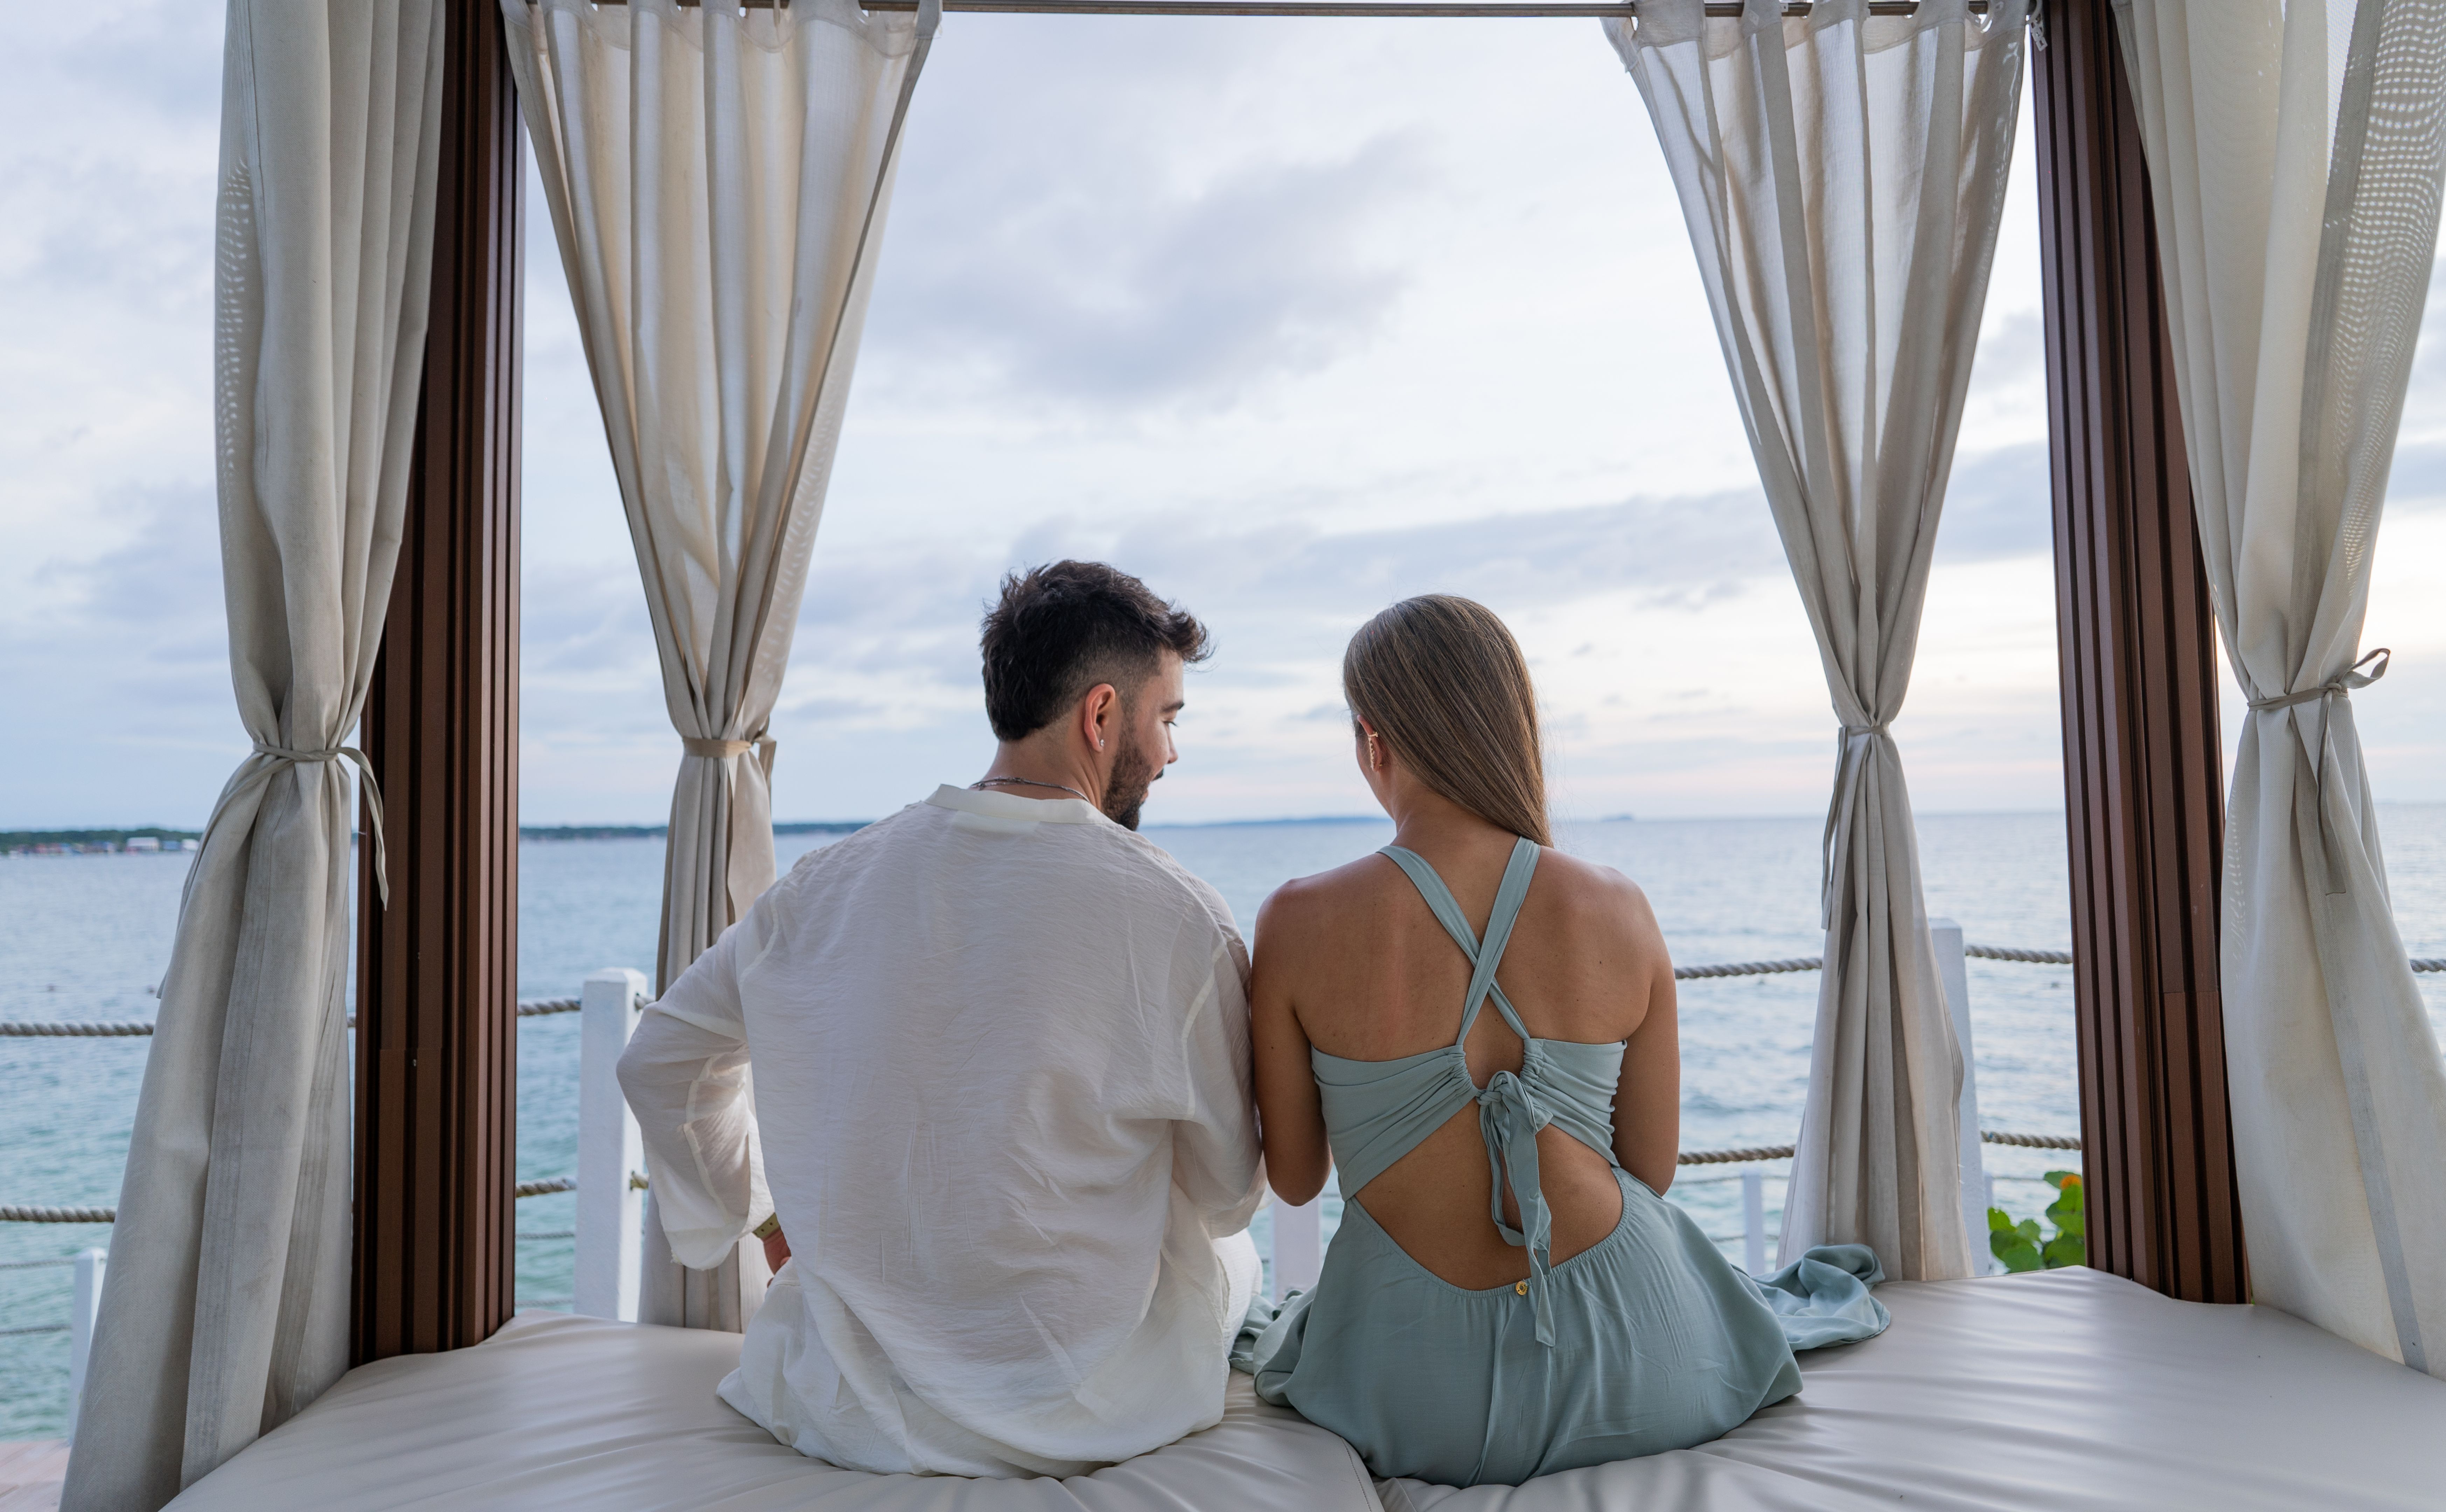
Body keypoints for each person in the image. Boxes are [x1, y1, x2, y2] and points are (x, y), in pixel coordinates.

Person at [619, 560, 1267, 1478]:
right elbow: (1229, 1193)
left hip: (843, 1402)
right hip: (1088, 1406)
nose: (1169, 753)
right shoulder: (1179, 918)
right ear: (1099, 715)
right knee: (1232, 1258)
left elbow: (660, 1060)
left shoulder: (825, 886)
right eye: (1167, 718)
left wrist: (762, 1214)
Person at [1237, 594, 1888, 1487]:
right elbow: (1649, 1168)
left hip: (1414, 1392)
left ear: (1373, 742)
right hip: (1646, 1363)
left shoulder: (1296, 920)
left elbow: (1294, 1179)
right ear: (1510, 729)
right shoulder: (1616, 906)